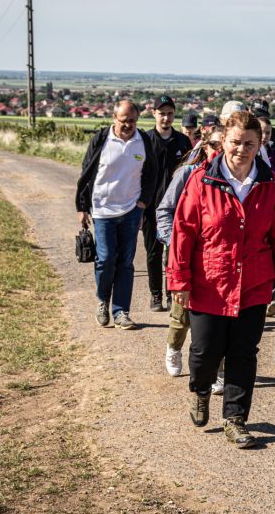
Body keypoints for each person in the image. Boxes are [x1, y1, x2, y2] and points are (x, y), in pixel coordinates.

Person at [167, 111, 275, 449]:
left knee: (243, 352)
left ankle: (235, 418)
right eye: (236, 141)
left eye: (250, 143)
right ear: (223, 140)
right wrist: (179, 279)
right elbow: (183, 231)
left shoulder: (269, 184)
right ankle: (199, 389)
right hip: (208, 282)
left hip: (252, 284)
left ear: (260, 144)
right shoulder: (201, 180)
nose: (242, 148)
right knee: (204, 349)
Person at [75, 100, 157, 330]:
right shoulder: (102, 139)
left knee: (125, 262)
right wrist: (81, 206)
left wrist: (143, 204)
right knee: (106, 258)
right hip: (102, 210)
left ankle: (121, 311)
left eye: (132, 120)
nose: (128, 125)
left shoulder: (143, 141)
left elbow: (152, 174)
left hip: (131, 210)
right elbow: (86, 173)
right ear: (114, 118)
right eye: (124, 120)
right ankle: (103, 300)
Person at [156, 126, 224, 384]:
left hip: (216, 261)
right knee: (181, 315)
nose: (219, 151)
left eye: (222, 145)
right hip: (185, 257)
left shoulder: (235, 177)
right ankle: (174, 348)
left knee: (218, 320)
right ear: (205, 147)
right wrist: (175, 245)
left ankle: (215, 370)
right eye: (214, 145)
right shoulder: (188, 173)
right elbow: (165, 211)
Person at [144, 95, 193, 312]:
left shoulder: (182, 142)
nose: (166, 118)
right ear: (154, 113)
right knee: (154, 252)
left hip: (177, 207)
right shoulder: (144, 140)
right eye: (162, 113)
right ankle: (155, 295)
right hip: (150, 206)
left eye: (170, 113)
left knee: (175, 252)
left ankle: (171, 293)